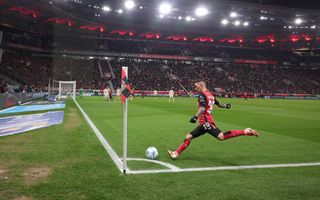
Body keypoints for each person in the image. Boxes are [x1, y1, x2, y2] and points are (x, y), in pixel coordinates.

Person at [168, 81, 259, 159]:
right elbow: (219, 104)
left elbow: (203, 108)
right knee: (189, 137)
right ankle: (175, 153)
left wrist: (195, 117)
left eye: (196, 86)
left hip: (206, 122)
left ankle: (246, 131)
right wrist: (226, 106)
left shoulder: (202, 95)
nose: (195, 88)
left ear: (202, 85)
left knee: (221, 136)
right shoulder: (210, 95)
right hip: (205, 123)